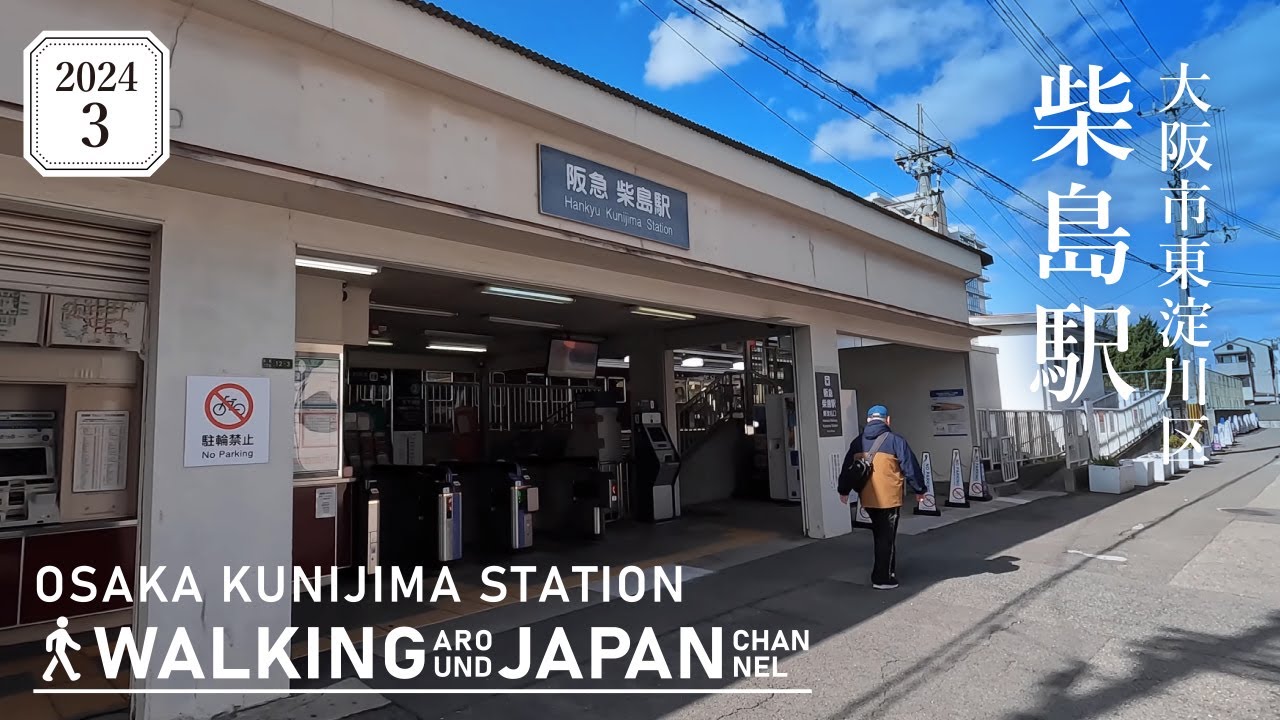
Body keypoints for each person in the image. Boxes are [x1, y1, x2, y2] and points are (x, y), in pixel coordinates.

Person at [838, 404, 927, 590]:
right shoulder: (895, 441)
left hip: (868, 499)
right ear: (887, 420)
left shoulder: (857, 442)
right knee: (886, 538)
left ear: (869, 420)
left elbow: (848, 469)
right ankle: (882, 578)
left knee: (880, 535)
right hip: (889, 499)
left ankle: (887, 571)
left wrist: (844, 491)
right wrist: (920, 490)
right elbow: (910, 467)